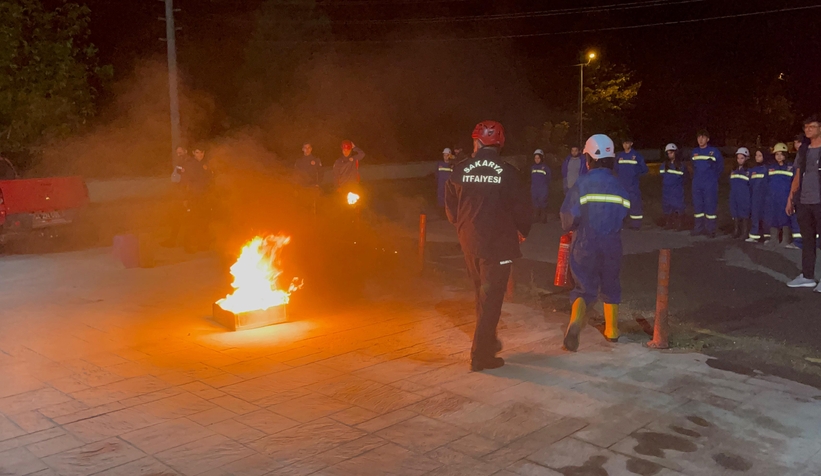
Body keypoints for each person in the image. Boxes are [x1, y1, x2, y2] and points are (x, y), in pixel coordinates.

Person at [445, 120, 531, 371]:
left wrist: (463, 227)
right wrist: (522, 232)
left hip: (469, 242)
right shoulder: (509, 172)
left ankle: (488, 341)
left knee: (482, 295)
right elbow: (523, 209)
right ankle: (480, 356)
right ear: (499, 143)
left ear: (478, 141)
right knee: (491, 299)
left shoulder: (459, 170)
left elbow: (451, 209)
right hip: (499, 246)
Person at [560, 134, 630, 352]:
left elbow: (568, 216)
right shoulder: (618, 184)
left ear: (588, 158)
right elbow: (628, 212)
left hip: (585, 242)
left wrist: (570, 228)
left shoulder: (582, 183)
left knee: (583, 287)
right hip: (611, 243)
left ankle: (575, 324)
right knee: (611, 283)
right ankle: (612, 331)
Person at [787, 115, 821, 290]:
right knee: (807, 241)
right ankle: (807, 276)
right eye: (806, 127)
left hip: (819, 202)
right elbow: (798, 175)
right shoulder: (804, 150)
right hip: (804, 202)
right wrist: (791, 198)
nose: (808, 130)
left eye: (812, 127)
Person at [690, 130, 724, 237]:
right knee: (698, 207)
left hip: (710, 183)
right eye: (699, 137)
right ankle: (698, 228)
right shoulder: (694, 152)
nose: (700, 139)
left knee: (710, 207)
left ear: (708, 139)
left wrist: (713, 178)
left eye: (703, 137)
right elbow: (693, 166)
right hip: (697, 183)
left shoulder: (714, 152)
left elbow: (720, 167)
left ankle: (710, 229)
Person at [767, 143, 800, 249]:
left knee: (785, 218)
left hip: (785, 197)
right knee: (773, 217)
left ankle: (786, 239)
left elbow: (794, 183)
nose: (779, 156)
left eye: (781, 154)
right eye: (777, 154)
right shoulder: (771, 168)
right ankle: (774, 239)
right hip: (773, 197)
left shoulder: (790, 167)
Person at [615, 139, 648, 230]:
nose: (625, 145)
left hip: (633, 186)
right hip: (622, 186)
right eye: (624, 143)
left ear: (631, 143)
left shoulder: (636, 156)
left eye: (627, 143)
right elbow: (616, 169)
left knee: (635, 205)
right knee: (621, 205)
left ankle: (636, 224)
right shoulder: (620, 156)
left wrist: (635, 173)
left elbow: (644, 169)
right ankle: (620, 224)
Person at [660, 143, 686, 230]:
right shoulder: (664, 165)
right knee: (667, 206)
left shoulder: (680, 165)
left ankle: (678, 224)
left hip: (677, 190)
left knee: (678, 206)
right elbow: (662, 176)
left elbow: (685, 177)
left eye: (671, 152)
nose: (670, 154)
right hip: (667, 190)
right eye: (668, 153)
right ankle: (669, 223)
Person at [747, 149, 770, 242]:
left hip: (766, 197)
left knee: (766, 217)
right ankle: (754, 235)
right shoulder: (753, 170)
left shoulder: (767, 169)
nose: (757, 157)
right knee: (755, 216)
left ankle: (767, 237)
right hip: (755, 197)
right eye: (756, 155)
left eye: (760, 155)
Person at [729, 148, 751, 239]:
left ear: (746, 158)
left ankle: (744, 232)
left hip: (744, 195)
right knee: (735, 212)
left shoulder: (749, 171)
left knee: (744, 213)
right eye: (738, 158)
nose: (739, 160)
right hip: (734, 194)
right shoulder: (734, 170)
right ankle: (736, 231)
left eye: (742, 158)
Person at [530, 149, 551, 223]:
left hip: (542, 188)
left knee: (543, 202)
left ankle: (543, 218)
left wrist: (545, 186)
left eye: (538, 158)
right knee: (535, 202)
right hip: (534, 188)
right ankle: (536, 217)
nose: (537, 160)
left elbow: (549, 177)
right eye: (535, 158)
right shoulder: (532, 167)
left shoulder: (545, 168)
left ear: (541, 158)